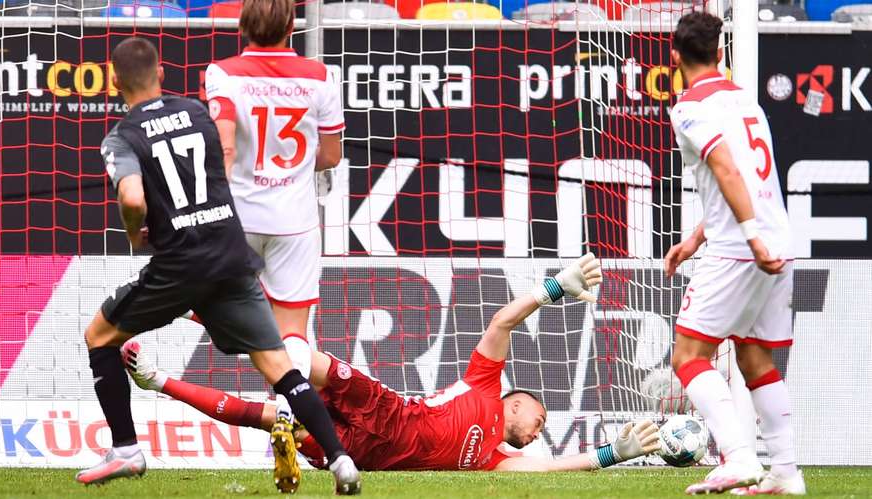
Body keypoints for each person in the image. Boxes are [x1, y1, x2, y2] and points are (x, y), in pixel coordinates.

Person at [78, 37, 360, 495]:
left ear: (113, 81)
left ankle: (126, 448)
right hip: (229, 253)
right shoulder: (196, 111)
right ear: (162, 73)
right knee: (280, 366)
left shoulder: (122, 136)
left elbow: (131, 196)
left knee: (100, 336)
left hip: (179, 265)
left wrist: (136, 230)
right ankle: (340, 458)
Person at [122, 255, 662, 472]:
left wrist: (615, 454)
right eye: (537, 421)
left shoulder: (497, 461)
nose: (537, 433)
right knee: (293, 355)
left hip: (365, 451)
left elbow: (550, 469)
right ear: (515, 403)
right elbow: (501, 323)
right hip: (387, 408)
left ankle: (156, 380)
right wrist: (550, 291)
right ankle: (196, 310)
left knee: (268, 417)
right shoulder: (484, 384)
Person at [197, 0, 344, 487]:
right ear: (291, 26)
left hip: (237, 218)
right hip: (294, 222)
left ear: (242, 25)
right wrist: (292, 170)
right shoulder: (320, 76)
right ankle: (287, 414)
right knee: (295, 331)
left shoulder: (222, 73)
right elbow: (330, 155)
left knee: (213, 307)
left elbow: (223, 149)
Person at [664, 13, 804, 495]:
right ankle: (786, 474)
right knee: (754, 357)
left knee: (687, 355)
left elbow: (725, 168)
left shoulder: (688, 107)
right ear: (721, 54)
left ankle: (741, 458)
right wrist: (696, 237)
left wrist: (745, 237)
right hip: (775, 240)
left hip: (741, 249)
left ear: (675, 56)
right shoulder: (745, 100)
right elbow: (747, 175)